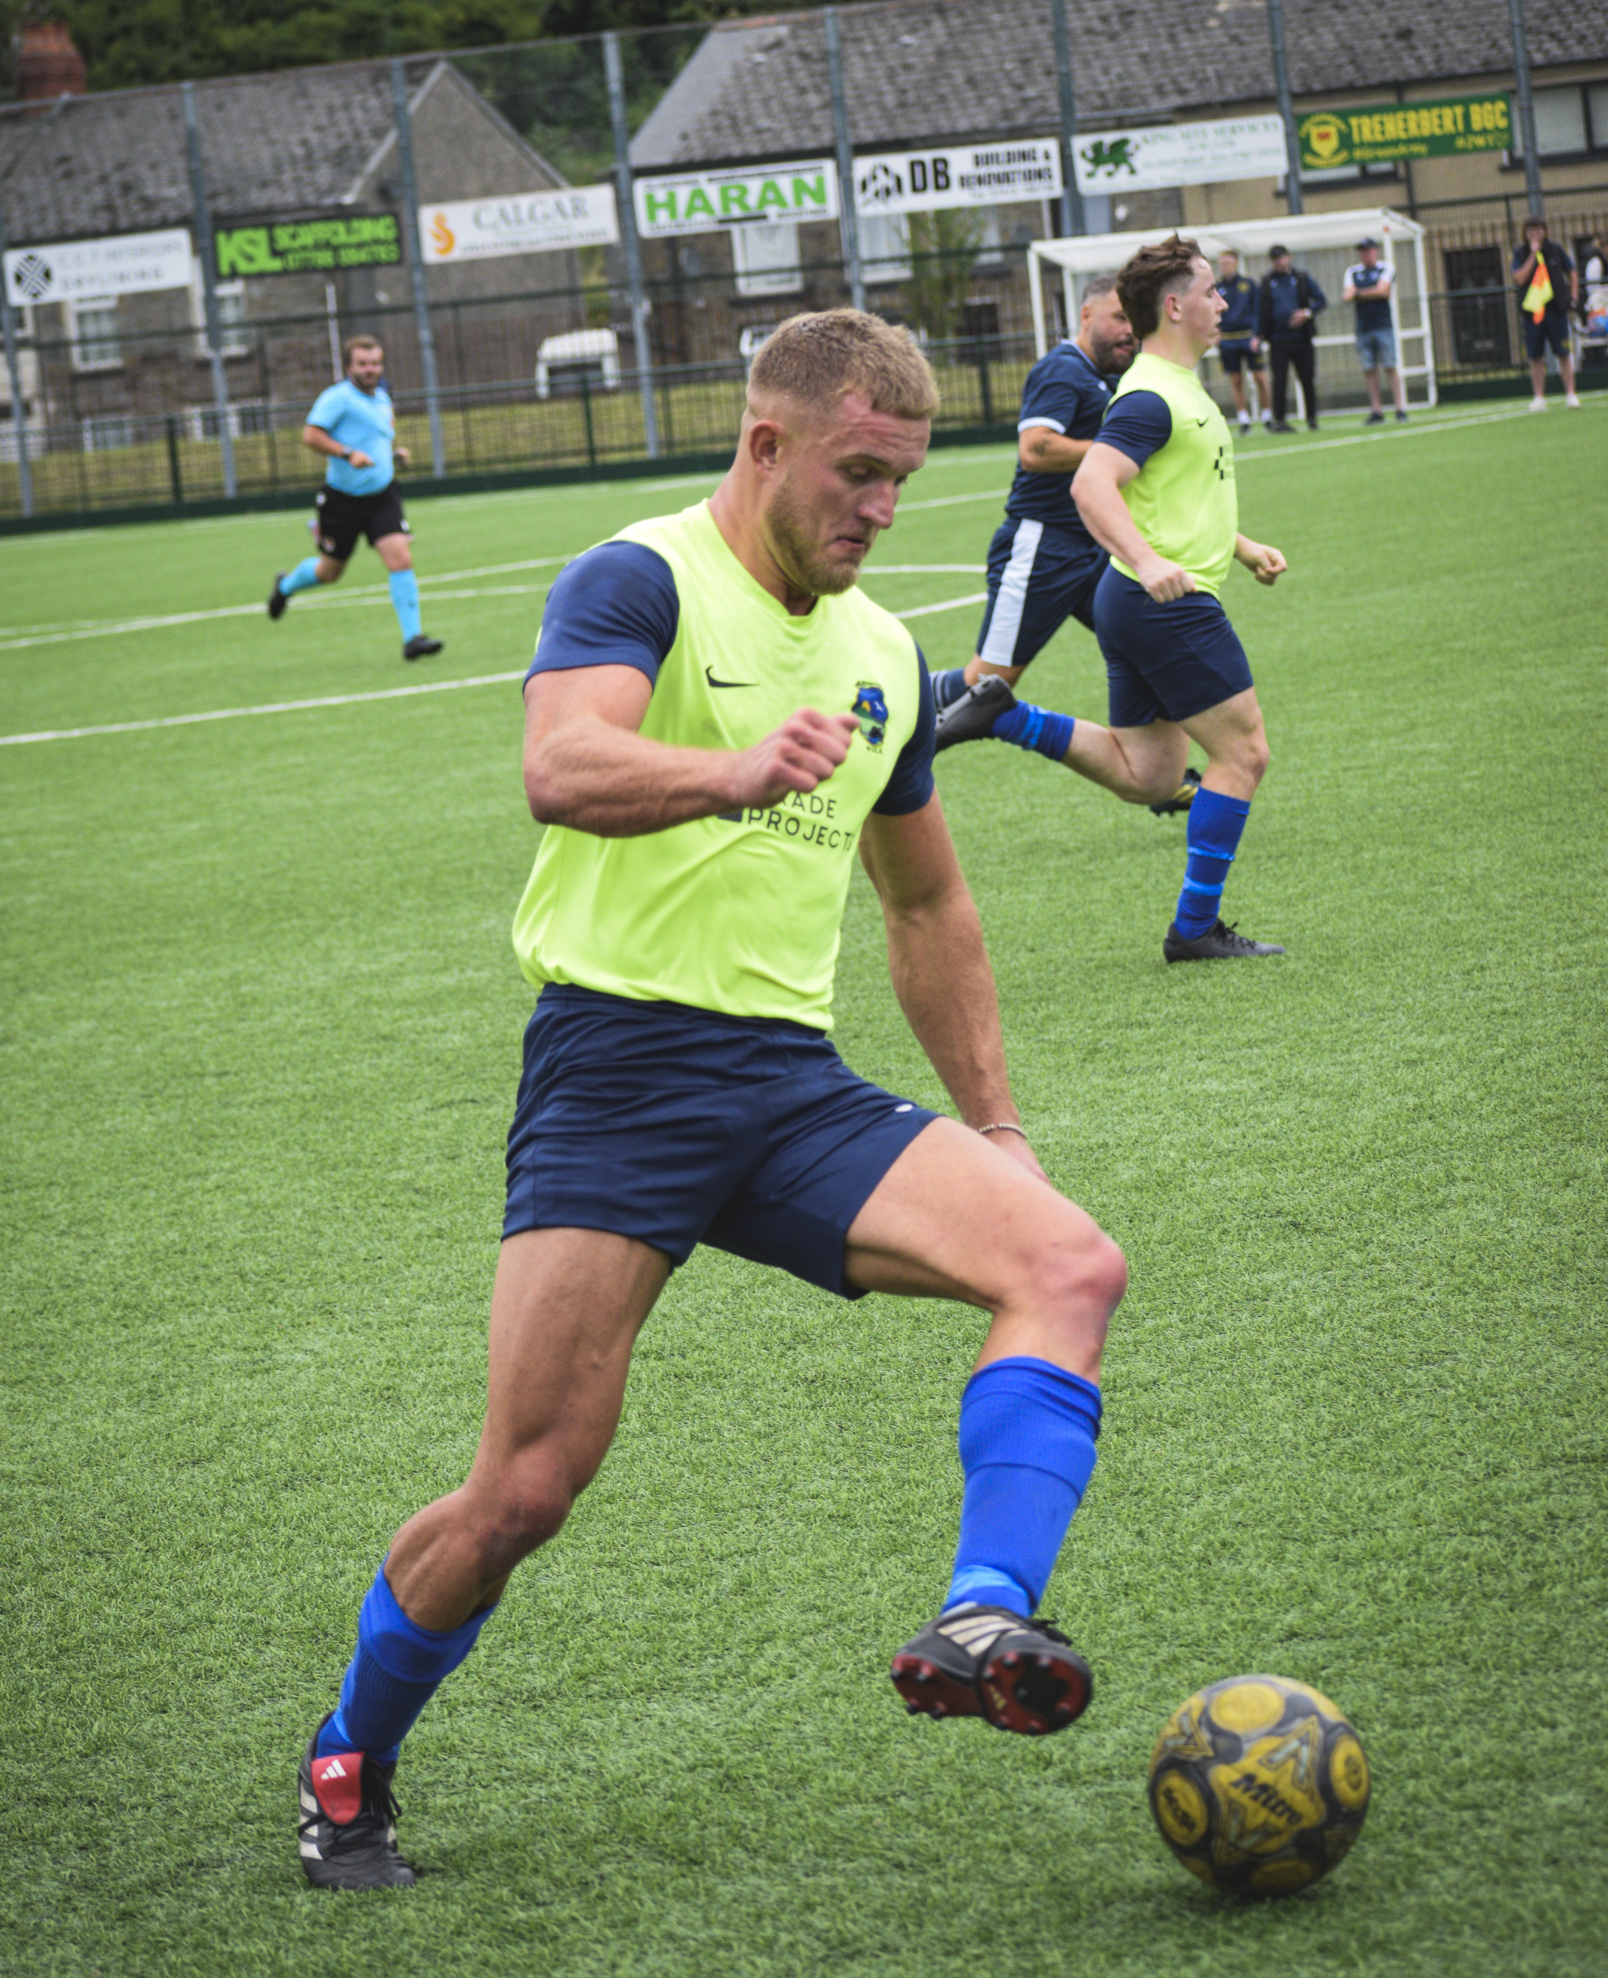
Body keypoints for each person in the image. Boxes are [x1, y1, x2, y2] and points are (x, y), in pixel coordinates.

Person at [296, 309, 1129, 1889]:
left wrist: (998, 1130)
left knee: (1066, 1262)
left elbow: (925, 902)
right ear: (764, 444)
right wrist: (731, 771)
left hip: (788, 1085)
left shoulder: (880, 655)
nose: (880, 509)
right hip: (615, 1072)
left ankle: (980, 1614)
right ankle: (351, 1752)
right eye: (855, 473)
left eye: (900, 481)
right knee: (524, 1489)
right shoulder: (639, 580)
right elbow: (561, 766)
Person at [957, 235, 1285, 966]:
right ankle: (1194, 928)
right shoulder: (1150, 395)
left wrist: (1241, 545)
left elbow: (1170, 492)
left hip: (1132, 599)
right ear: (1174, 306)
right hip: (1164, 600)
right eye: (1209, 290)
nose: (1222, 300)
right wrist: (1145, 560)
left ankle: (1004, 714)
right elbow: (1090, 483)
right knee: (1243, 753)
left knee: (1151, 776)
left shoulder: (1169, 385)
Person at [929, 275, 1197, 814]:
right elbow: (1036, 448)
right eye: (1118, 318)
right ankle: (888, 703)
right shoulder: (1062, 369)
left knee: (1154, 637)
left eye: (1134, 321)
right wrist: (1113, 449)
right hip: (1042, 547)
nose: (1129, 331)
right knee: (986, 685)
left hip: (1094, 548)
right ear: (1086, 315)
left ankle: (1157, 773)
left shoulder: (1111, 378)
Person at [267, 335, 443, 659]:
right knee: (329, 572)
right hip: (342, 501)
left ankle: (413, 639)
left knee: (400, 558)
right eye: (362, 364)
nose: (369, 369)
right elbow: (311, 435)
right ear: (349, 366)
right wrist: (348, 454)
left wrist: (393, 454)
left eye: (375, 363)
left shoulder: (383, 397)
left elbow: (376, 437)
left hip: (382, 496)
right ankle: (285, 586)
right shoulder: (337, 398)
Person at [1511, 219, 1581, 408]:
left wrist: (1573, 296)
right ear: (1525, 233)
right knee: (1535, 356)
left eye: (1539, 229)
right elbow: (1519, 278)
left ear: (1545, 231)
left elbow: (1572, 271)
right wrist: (1533, 254)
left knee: (1563, 352)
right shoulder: (1520, 252)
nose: (1535, 233)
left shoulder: (1555, 249)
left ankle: (1571, 394)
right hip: (1533, 311)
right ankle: (1539, 397)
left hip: (1555, 309)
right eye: (1531, 230)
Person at [1256, 243, 1326, 432]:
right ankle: (1280, 420)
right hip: (1278, 340)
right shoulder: (1267, 281)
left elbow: (1321, 300)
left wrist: (1307, 313)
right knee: (1279, 381)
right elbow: (1261, 310)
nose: (1279, 262)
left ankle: (1312, 418)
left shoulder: (1301, 277)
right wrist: (1259, 335)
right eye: (1275, 259)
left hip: (1302, 339)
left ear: (1289, 257)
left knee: (1307, 379)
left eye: (1281, 257)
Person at [1342, 237, 1407, 424]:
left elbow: (1383, 290)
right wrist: (1372, 292)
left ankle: (1399, 408)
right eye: (1362, 251)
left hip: (1383, 326)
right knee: (1369, 369)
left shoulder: (1386, 267)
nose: (1365, 254)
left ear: (1375, 251)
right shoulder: (1353, 271)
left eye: (1368, 250)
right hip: (1363, 328)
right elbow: (1347, 296)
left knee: (1390, 366)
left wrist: (1359, 293)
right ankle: (1377, 410)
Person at [1213, 247, 1271, 432]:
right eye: (1221, 263)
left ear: (1236, 263)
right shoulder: (1216, 287)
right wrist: (1216, 332)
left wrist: (1257, 335)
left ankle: (1267, 415)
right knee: (1236, 379)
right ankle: (1243, 419)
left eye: (1228, 263)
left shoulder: (1248, 283)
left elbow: (1257, 309)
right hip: (1227, 339)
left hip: (1248, 337)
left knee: (1259, 376)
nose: (1224, 266)